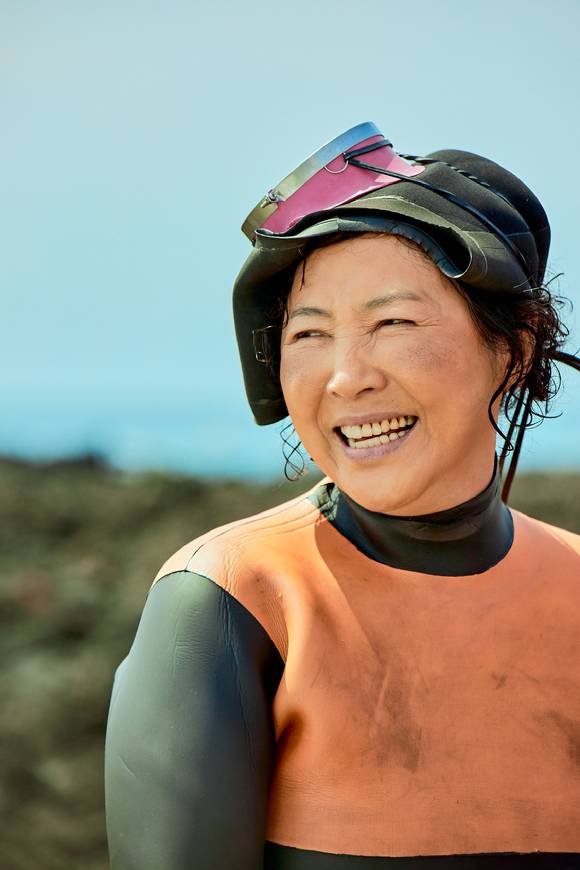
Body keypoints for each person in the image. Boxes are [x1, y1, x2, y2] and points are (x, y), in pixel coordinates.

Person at [105, 123, 580, 869]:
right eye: (310, 333)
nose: (345, 378)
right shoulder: (230, 602)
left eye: (392, 323)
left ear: (514, 351)